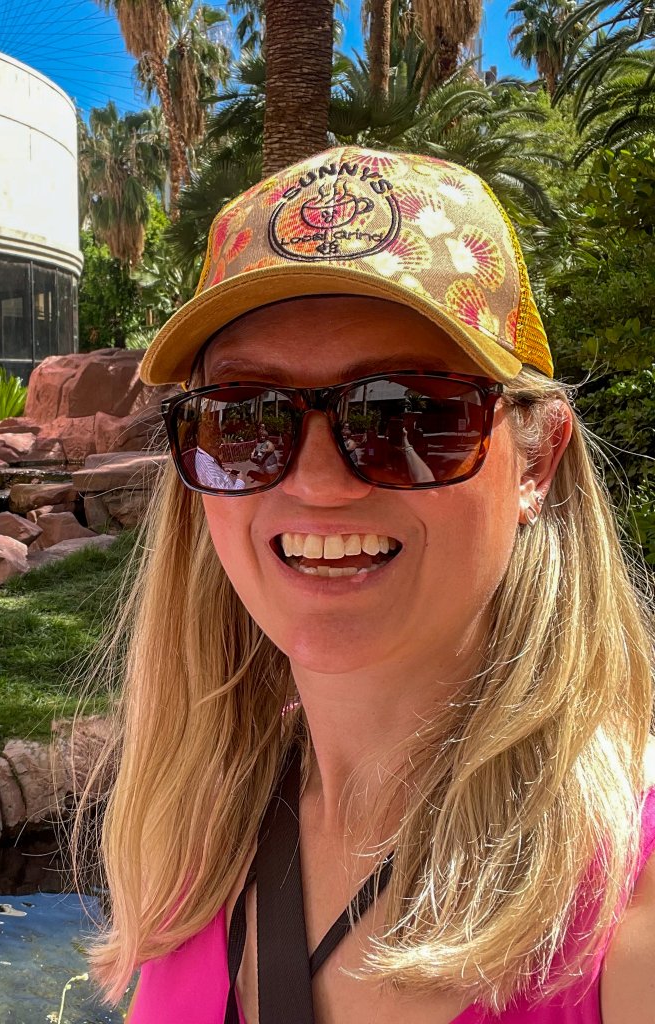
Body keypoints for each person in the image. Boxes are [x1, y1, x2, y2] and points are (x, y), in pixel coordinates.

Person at [74, 146, 655, 1024]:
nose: (316, 482)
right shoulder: (199, 824)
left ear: (539, 459)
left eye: (407, 414)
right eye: (245, 418)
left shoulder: (627, 902)